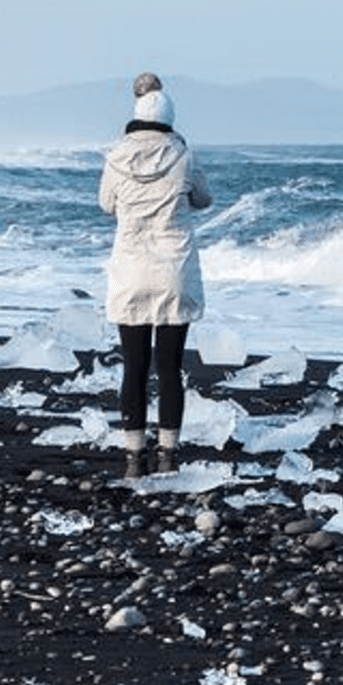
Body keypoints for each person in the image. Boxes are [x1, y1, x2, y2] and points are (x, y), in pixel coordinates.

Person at [98, 71, 213, 477]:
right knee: (169, 368)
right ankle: (167, 456)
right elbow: (204, 199)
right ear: (169, 120)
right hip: (173, 271)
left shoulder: (116, 156)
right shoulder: (184, 155)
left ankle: (133, 459)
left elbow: (106, 205)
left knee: (133, 367)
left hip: (131, 271)